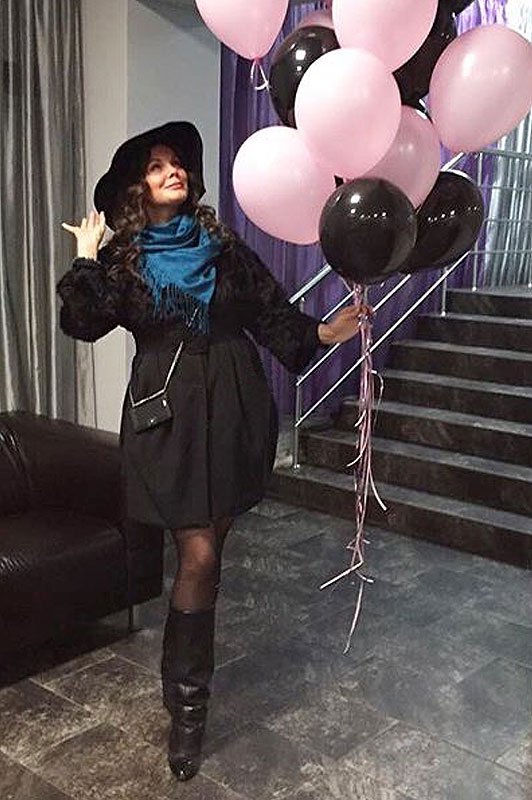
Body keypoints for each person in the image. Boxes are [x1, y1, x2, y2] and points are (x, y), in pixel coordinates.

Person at [58, 121, 368, 782]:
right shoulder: (125, 258)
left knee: (210, 553)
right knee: (196, 553)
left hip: (234, 407)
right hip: (166, 417)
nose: (172, 170)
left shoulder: (223, 247)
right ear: (138, 189)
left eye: (176, 162)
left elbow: (272, 316)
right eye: (156, 166)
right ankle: (189, 712)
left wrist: (325, 332)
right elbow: (81, 323)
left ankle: (183, 689)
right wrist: (87, 256)